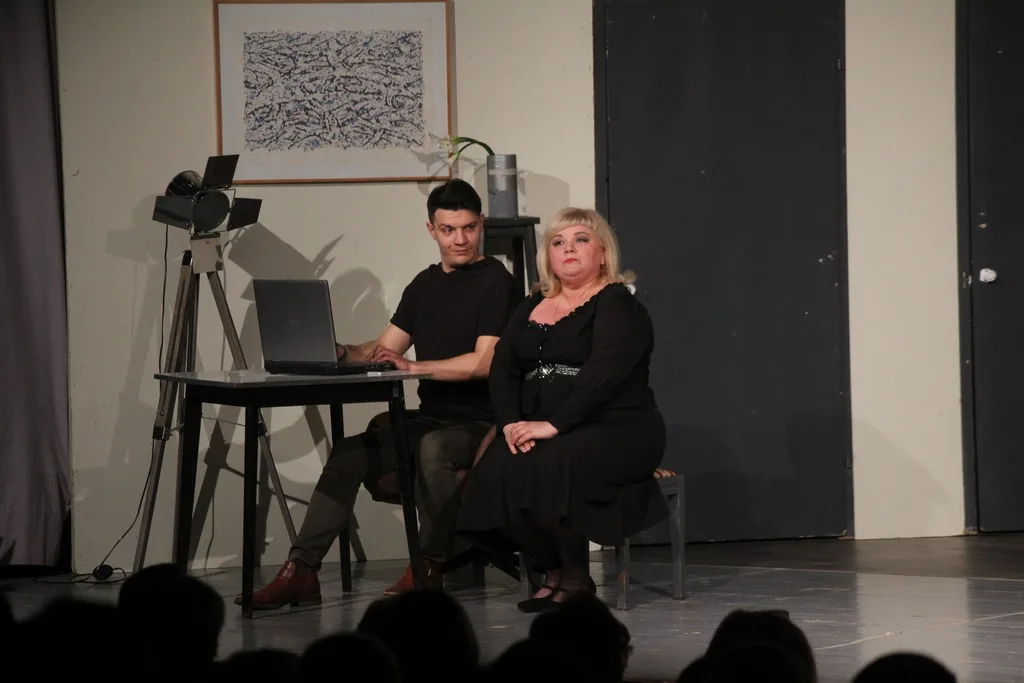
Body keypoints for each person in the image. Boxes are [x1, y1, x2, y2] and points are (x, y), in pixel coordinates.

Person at [241, 179, 522, 610]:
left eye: (468, 228)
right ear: (431, 229)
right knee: (349, 453)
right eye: (448, 230)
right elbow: (385, 347)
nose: (460, 239)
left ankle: (428, 566)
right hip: (433, 419)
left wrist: (413, 367)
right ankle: (301, 571)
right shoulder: (423, 285)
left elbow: (484, 362)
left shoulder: (496, 282)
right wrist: (339, 351)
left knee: (434, 447)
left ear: (481, 223)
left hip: (483, 425)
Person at [458, 207, 669, 613]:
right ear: (548, 256)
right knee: (496, 469)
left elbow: (604, 374)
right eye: (558, 242)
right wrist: (510, 423)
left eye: (580, 240)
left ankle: (574, 578)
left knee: (551, 465)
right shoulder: (532, 303)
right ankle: (552, 569)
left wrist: (554, 424)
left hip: (616, 426)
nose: (568, 248)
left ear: (603, 253)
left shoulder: (617, 304)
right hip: (542, 425)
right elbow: (503, 370)